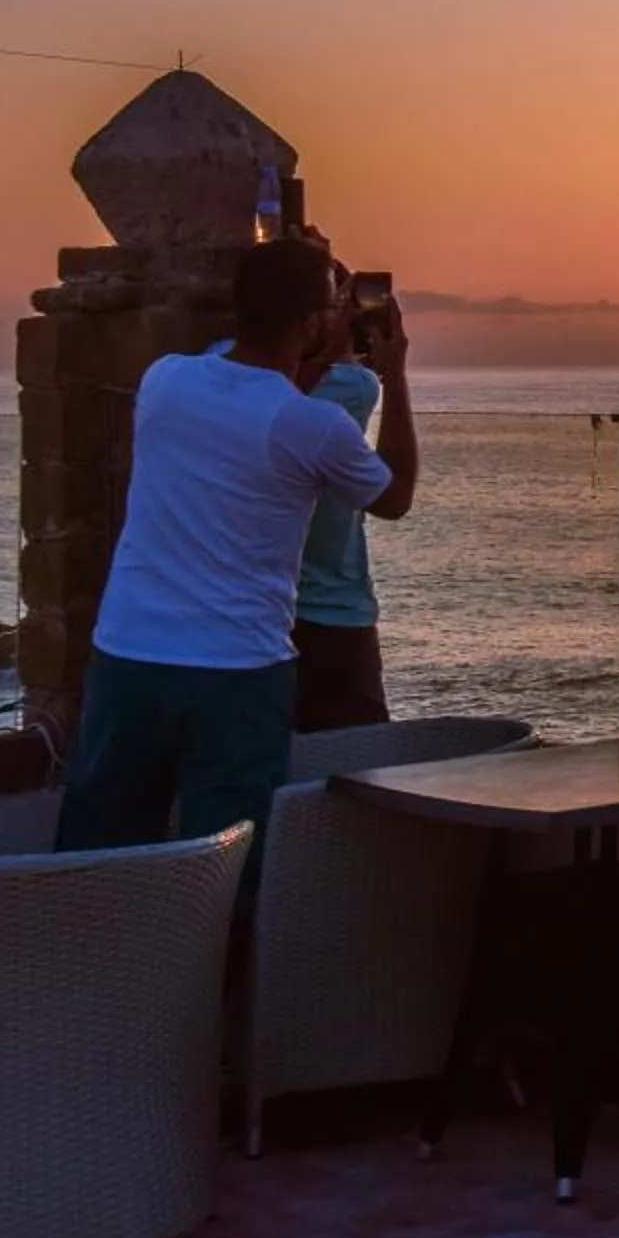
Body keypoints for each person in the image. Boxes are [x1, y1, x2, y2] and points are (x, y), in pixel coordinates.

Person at [55, 238, 419, 892]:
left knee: (100, 846)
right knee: (227, 871)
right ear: (312, 323)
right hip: (235, 671)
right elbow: (394, 495)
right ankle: (220, 989)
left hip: (129, 655)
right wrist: (395, 377)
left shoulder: (165, 379)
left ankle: (94, 979)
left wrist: (311, 349)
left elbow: (254, 397)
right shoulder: (314, 427)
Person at [287, 256, 391, 731]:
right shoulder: (353, 387)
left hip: (249, 617)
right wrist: (396, 373)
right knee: (359, 759)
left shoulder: (207, 367)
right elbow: (394, 497)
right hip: (331, 612)